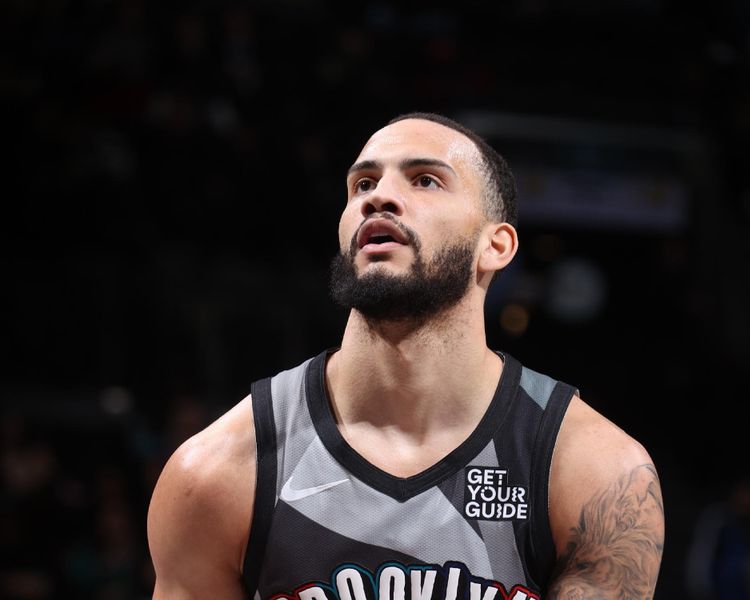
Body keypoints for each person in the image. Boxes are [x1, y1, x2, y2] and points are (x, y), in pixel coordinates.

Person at [147, 113, 665, 600]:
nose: (381, 197)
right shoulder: (215, 473)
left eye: (424, 180)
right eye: (363, 184)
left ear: (497, 246)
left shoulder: (595, 474)